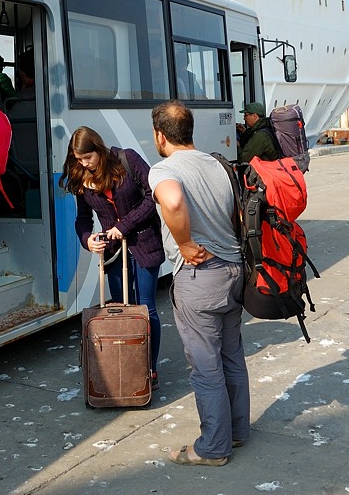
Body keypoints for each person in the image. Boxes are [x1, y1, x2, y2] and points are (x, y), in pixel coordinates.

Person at [148, 100, 249, 466]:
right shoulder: (219, 164)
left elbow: (172, 201)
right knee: (232, 357)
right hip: (235, 272)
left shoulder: (164, 169)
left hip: (199, 279)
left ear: (160, 136)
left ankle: (213, 448)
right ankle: (236, 433)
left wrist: (186, 243)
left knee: (206, 367)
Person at [59, 126, 164, 387]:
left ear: (99, 149)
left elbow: (154, 196)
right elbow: (82, 219)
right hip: (113, 252)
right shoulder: (81, 177)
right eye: (79, 159)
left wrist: (123, 226)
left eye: (88, 158)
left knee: (146, 308)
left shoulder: (126, 160)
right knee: (119, 308)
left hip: (144, 242)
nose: (85, 164)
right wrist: (88, 240)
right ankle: (125, 363)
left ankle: (149, 370)